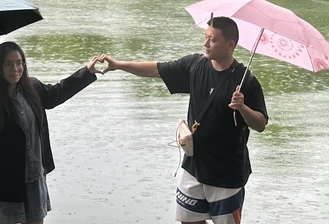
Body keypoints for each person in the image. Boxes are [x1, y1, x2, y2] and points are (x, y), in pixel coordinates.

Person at [98, 16, 268, 224]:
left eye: (212, 40)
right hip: (194, 165)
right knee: (188, 221)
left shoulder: (246, 81)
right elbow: (156, 69)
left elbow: (260, 124)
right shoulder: (195, 66)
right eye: (205, 37)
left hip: (227, 173)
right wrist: (118, 65)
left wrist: (242, 107)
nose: (206, 43)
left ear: (230, 45)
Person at [0, 41, 102, 224]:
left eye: (19, 62)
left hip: (34, 177)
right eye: (8, 64)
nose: (15, 68)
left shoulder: (33, 88)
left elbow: (57, 93)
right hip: (5, 182)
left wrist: (87, 71)